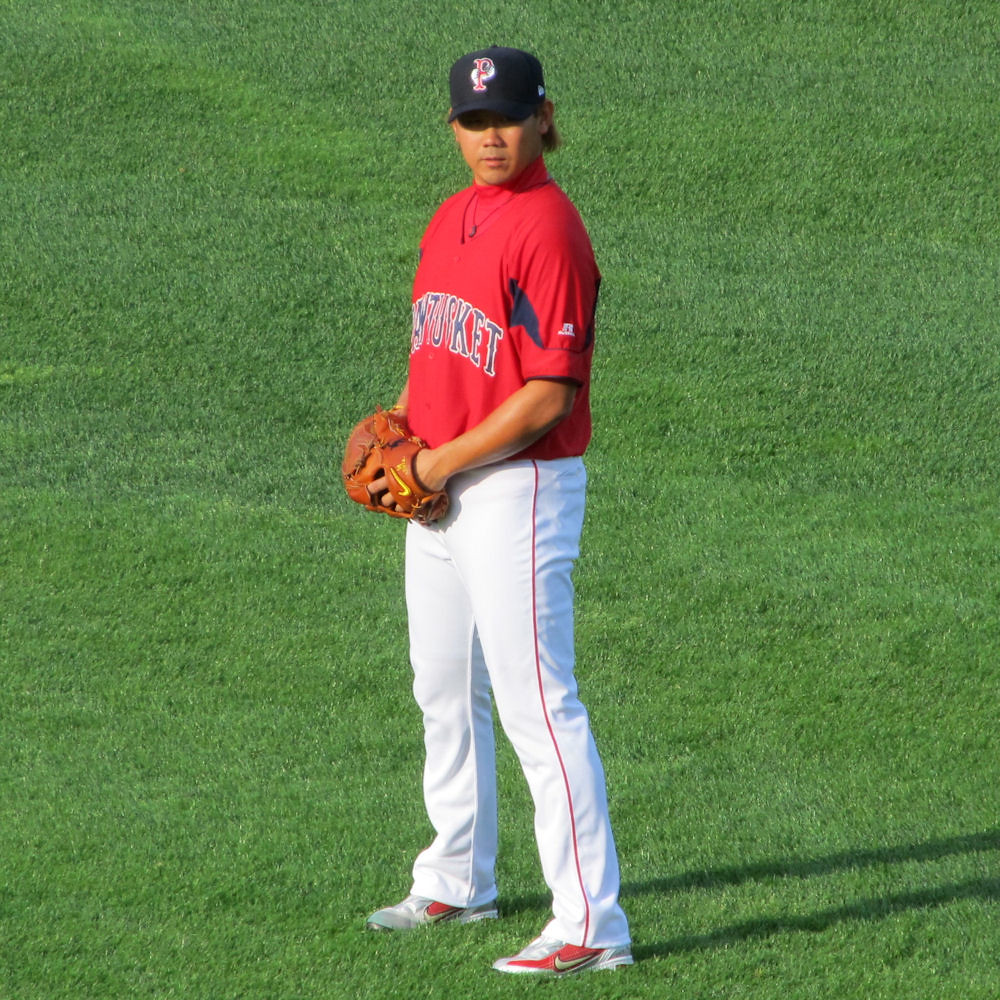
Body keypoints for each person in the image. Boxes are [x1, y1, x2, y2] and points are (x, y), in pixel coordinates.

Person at [363, 46, 632, 977]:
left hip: (519, 489)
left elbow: (549, 394)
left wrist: (436, 460)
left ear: (544, 118)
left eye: (508, 119)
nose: (491, 138)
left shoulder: (549, 228)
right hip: (441, 490)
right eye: (474, 123)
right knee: (443, 688)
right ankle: (456, 878)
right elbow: (439, 351)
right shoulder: (451, 218)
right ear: (452, 128)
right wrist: (408, 440)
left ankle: (592, 923)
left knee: (538, 705)